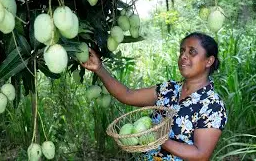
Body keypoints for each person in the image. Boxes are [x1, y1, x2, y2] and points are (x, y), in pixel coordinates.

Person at [81, 32, 227, 161]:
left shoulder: (212, 105)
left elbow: (201, 155)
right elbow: (127, 95)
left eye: (192, 52)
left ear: (209, 61)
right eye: (182, 51)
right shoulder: (168, 89)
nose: (183, 56)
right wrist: (99, 68)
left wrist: (159, 138)